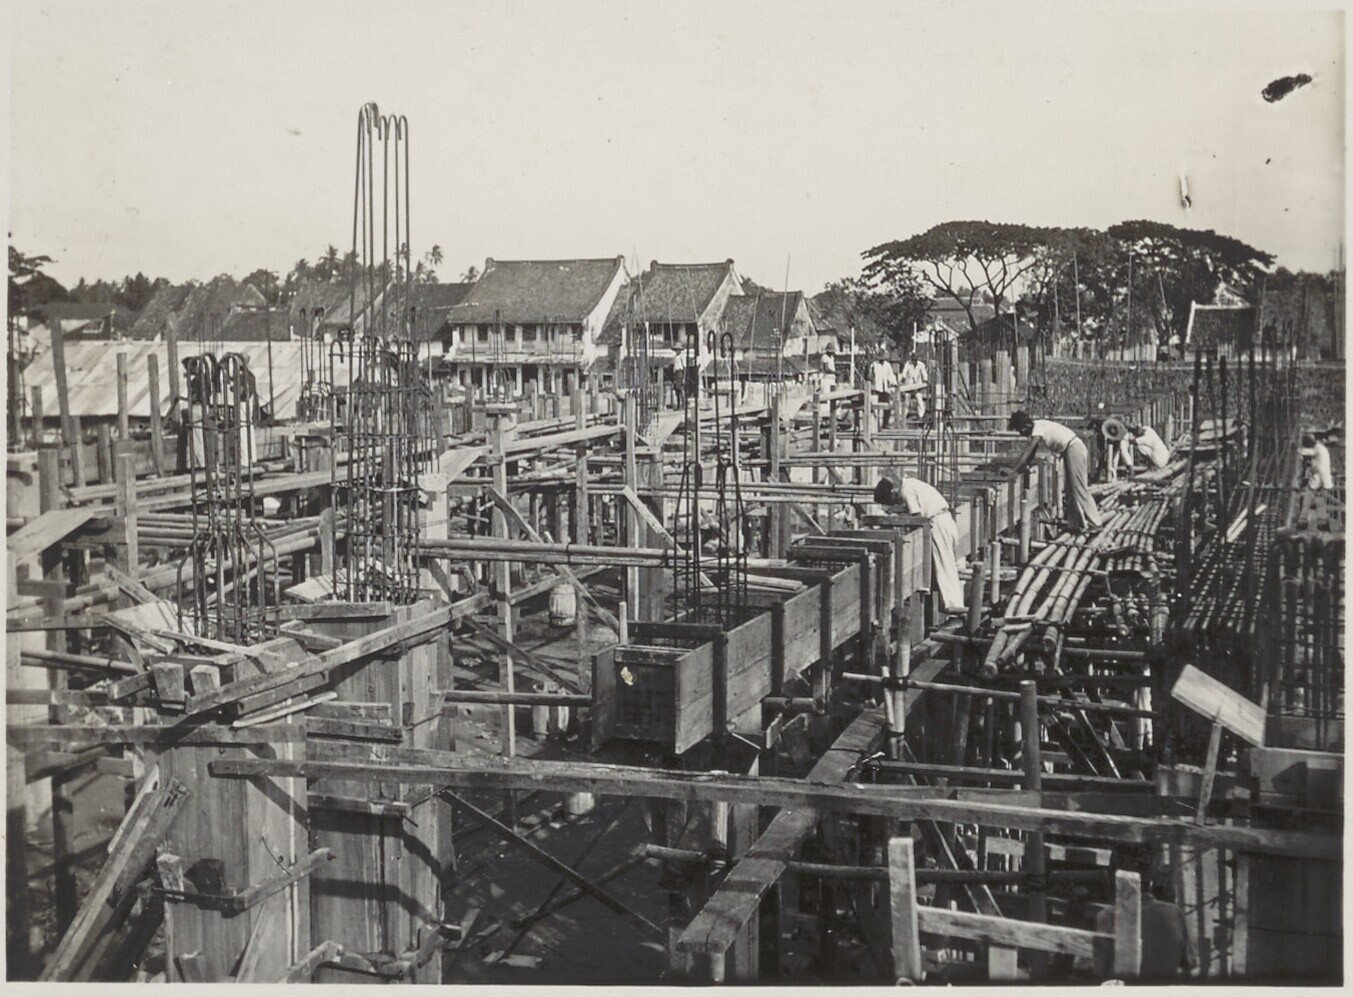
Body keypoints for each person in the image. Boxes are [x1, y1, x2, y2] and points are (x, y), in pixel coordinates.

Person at [873, 474, 965, 614]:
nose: (895, 502)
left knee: (944, 567)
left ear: (893, 493)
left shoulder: (906, 491)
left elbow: (917, 518)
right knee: (947, 566)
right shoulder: (910, 483)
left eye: (891, 501)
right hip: (944, 520)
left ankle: (955, 609)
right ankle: (954, 607)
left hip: (939, 525)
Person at [1009, 410, 1103, 533]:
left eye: (1020, 430)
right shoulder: (1038, 427)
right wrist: (1018, 471)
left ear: (1024, 426)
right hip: (1070, 450)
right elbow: (1031, 455)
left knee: (1079, 488)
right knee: (1069, 490)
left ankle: (1096, 523)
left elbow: (1028, 451)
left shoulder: (1038, 428)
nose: (1021, 434)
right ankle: (1074, 524)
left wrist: (1013, 470)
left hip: (1074, 448)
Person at [869, 353, 897, 428]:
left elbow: (891, 375)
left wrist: (894, 383)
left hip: (885, 389)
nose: (882, 360)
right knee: (875, 408)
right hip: (876, 389)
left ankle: (885, 424)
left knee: (887, 407)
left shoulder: (887, 365)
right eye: (880, 359)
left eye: (883, 359)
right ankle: (876, 425)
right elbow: (870, 376)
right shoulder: (874, 365)